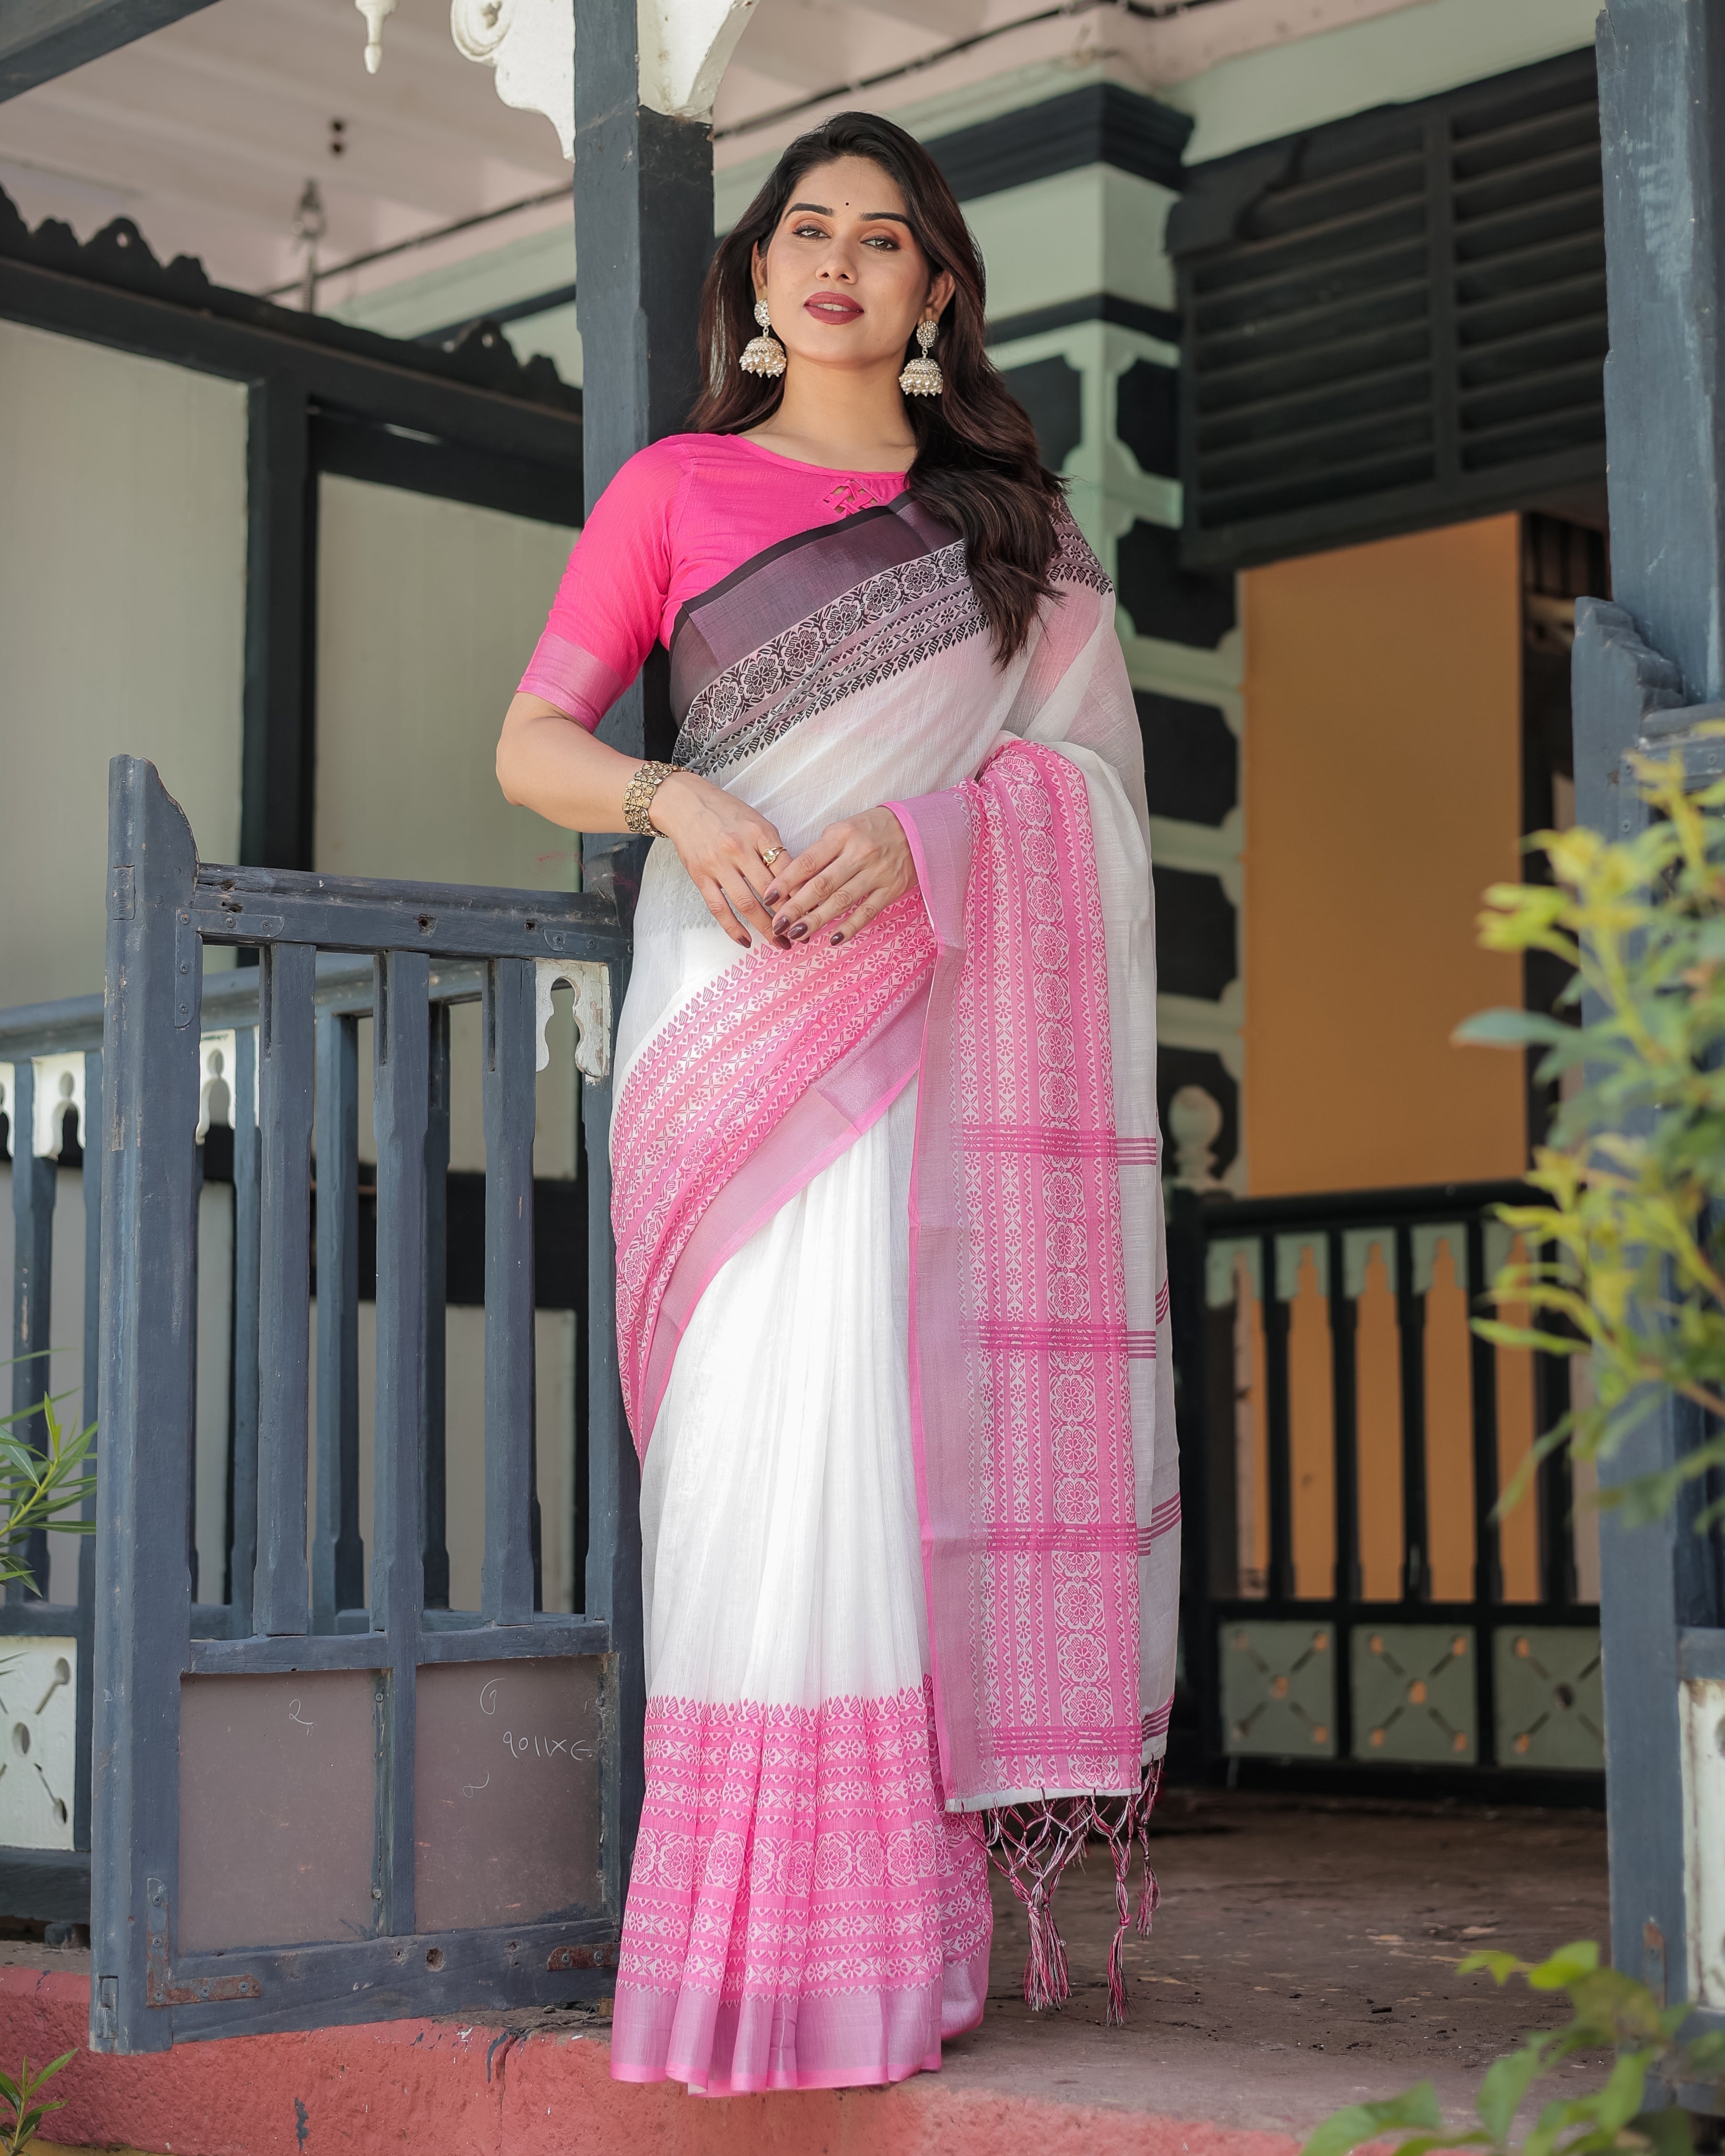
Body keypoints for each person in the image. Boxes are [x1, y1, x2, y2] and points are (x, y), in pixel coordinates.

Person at [495, 108, 1179, 2100]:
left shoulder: (1017, 536)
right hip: (729, 1021)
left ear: (937, 294)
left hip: (920, 1040)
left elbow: (1103, 796)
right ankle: (735, 1951)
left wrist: (943, 837)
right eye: (809, 228)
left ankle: (886, 1949)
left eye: (887, 240)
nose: (841, 260)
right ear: (761, 279)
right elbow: (532, 737)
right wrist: (669, 792)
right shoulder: (675, 488)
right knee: (742, 1477)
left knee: (884, 1461)